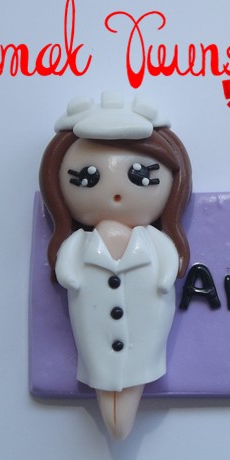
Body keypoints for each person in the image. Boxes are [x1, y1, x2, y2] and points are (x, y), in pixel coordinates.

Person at [39, 91, 191, 440]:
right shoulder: (77, 244)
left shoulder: (157, 243)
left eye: (141, 176)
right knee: (101, 366)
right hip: (92, 320)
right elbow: (67, 274)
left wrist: (165, 274)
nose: (117, 194)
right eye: (87, 178)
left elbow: (167, 273)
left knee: (139, 363)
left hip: (146, 317)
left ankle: (123, 416)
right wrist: (69, 272)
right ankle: (113, 415)